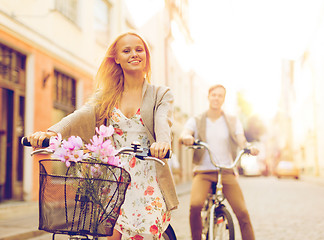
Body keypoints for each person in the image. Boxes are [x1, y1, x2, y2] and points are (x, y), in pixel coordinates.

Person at [27, 32, 179, 240]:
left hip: (148, 179)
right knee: (110, 235)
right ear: (116, 59)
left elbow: (163, 121)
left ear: (146, 56)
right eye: (126, 51)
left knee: (142, 234)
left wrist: (162, 143)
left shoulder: (160, 94)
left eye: (139, 49)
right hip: (114, 178)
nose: (134, 54)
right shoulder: (107, 96)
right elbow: (79, 116)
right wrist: (52, 132)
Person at [179, 84, 258, 240]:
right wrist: (186, 137)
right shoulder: (197, 120)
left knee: (242, 212)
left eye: (220, 95)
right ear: (208, 97)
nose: (216, 98)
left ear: (224, 99)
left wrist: (248, 147)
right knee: (195, 205)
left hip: (226, 171)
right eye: (213, 94)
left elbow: (241, 138)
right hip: (203, 171)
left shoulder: (232, 121)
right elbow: (185, 133)